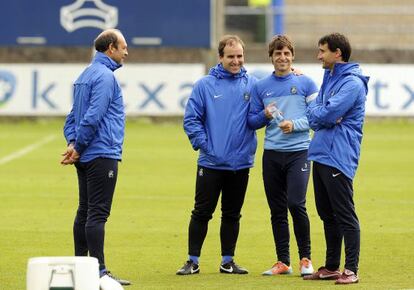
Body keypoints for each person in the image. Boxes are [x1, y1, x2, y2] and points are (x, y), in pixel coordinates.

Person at [177, 35, 257, 275]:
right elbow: (191, 120)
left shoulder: (252, 84)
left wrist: (292, 72)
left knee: (232, 214)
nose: (236, 61)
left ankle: (227, 261)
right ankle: (192, 261)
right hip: (211, 162)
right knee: (201, 212)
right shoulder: (205, 85)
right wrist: (207, 146)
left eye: (240, 56)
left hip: (240, 163)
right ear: (220, 57)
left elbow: (276, 89)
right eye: (231, 56)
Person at [61, 28, 131, 286]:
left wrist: (72, 143)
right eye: (123, 46)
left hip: (85, 154)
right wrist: (77, 146)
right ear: (110, 48)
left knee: (84, 211)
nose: (126, 51)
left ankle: (80, 267)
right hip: (101, 152)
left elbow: (71, 118)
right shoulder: (105, 77)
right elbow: (94, 116)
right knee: (97, 214)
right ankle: (99, 271)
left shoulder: (85, 75)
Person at [247, 35, 318, 276]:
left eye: (287, 53)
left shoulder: (306, 83)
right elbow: (252, 121)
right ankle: (283, 262)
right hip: (272, 155)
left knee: (296, 204)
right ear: (271, 57)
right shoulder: (260, 86)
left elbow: (316, 117)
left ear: (293, 56)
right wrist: (265, 116)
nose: (282, 57)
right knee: (277, 209)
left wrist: (294, 125)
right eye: (278, 53)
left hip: (299, 152)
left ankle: (306, 259)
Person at [303, 33, 369, 285]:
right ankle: (331, 266)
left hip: (338, 155)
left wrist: (323, 114)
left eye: (322, 51)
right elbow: (316, 113)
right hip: (320, 152)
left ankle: (351, 269)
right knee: (326, 214)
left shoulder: (351, 83)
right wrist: (322, 114)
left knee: (344, 214)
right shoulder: (329, 78)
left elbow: (328, 112)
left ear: (337, 52)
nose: (318, 55)